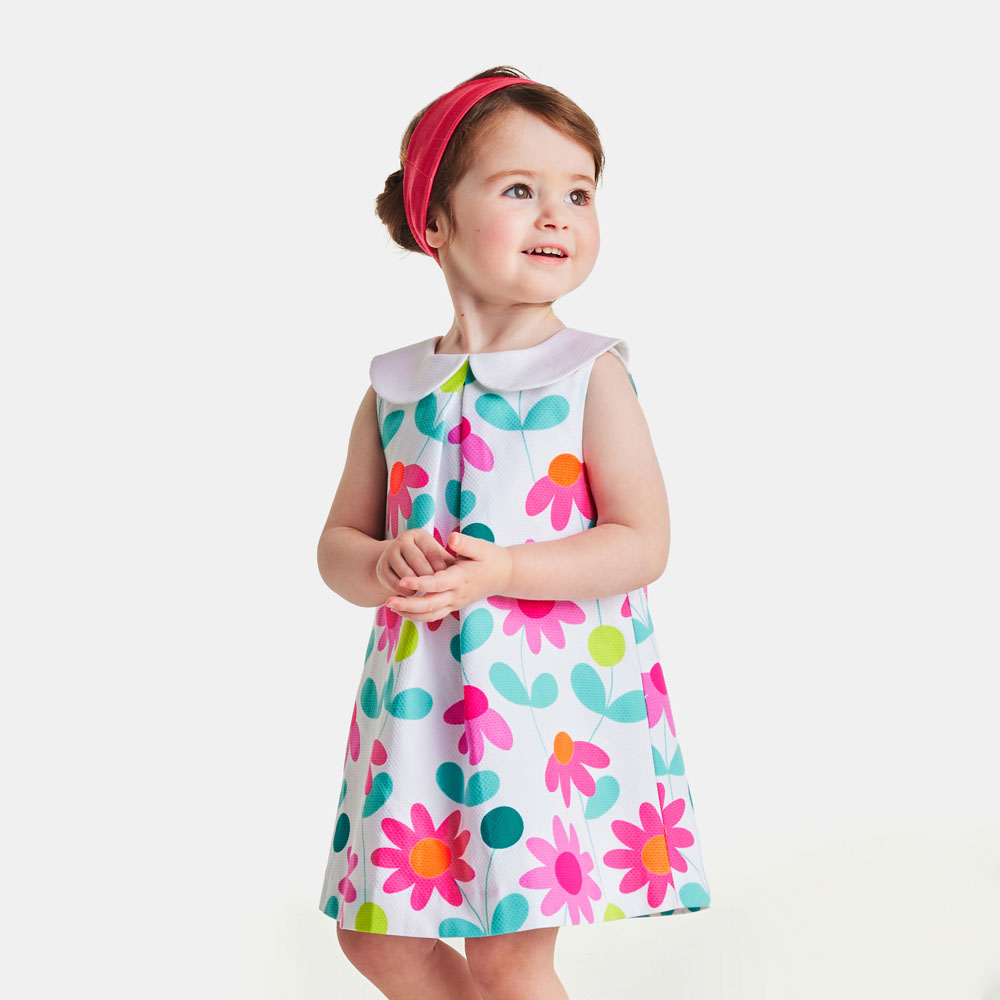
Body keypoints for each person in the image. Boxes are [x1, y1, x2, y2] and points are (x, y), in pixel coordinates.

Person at [316, 65, 711, 1000]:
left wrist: (503, 570)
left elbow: (642, 540)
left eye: (579, 193)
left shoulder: (586, 372)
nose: (557, 216)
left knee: (508, 955)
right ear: (435, 222)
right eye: (520, 189)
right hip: (418, 709)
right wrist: (379, 561)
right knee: (376, 938)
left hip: (542, 713)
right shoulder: (395, 387)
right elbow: (337, 545)